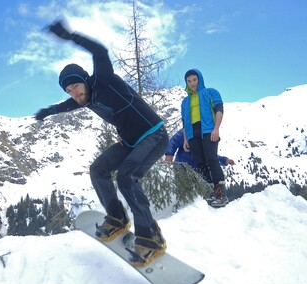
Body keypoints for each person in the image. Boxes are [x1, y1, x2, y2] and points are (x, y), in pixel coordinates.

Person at [34, 20, 169, 263]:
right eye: (69, 91)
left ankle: (150, 238)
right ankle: (117, 217)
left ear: (84, 80)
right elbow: (67, 106)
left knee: (127, 177)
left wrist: (69, 35)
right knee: (98, 169)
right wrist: (48, 111)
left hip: (154, 134)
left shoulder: (102, 80)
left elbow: (100, 51)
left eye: (75, 86)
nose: (74, 93)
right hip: (131, 142)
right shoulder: (83, 98)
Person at [181, 69, 228, 206]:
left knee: (211, 159)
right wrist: (185, 139)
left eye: (194, 80)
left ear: (199, 79)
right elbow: (184, 122)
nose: (192, 83)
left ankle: (221, 195)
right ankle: (209, 193)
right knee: (200, 163)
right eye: (189, 81)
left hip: (208, 130)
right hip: (192, 134)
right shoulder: (185, 102)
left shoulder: (211, 92)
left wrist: (216, 129)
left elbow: (219, 110)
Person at [164, 129, 234, 172]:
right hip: (181, 165)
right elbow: (174, 141)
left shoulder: (206, 140)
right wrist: (169, 154)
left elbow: (212, 157)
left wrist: (225, 160)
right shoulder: (187, 131)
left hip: (196, 171)